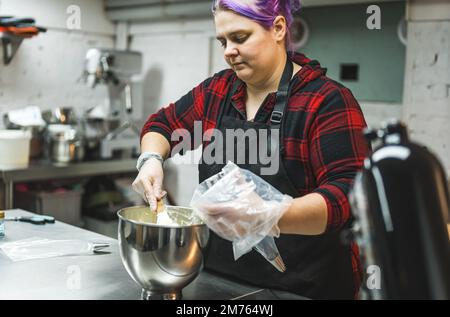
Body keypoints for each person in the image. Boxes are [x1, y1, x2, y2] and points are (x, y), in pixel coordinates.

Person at [133, 0, 369, 299]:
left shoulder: (325, 101)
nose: (228, 50)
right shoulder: (216, 92)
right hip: (216, 283)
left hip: (303, 289)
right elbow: (163, 124)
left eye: (240, 38)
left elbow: (350, 195)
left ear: (279, 28)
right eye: (223, 41)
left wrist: (269, 215)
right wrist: (152, 159)